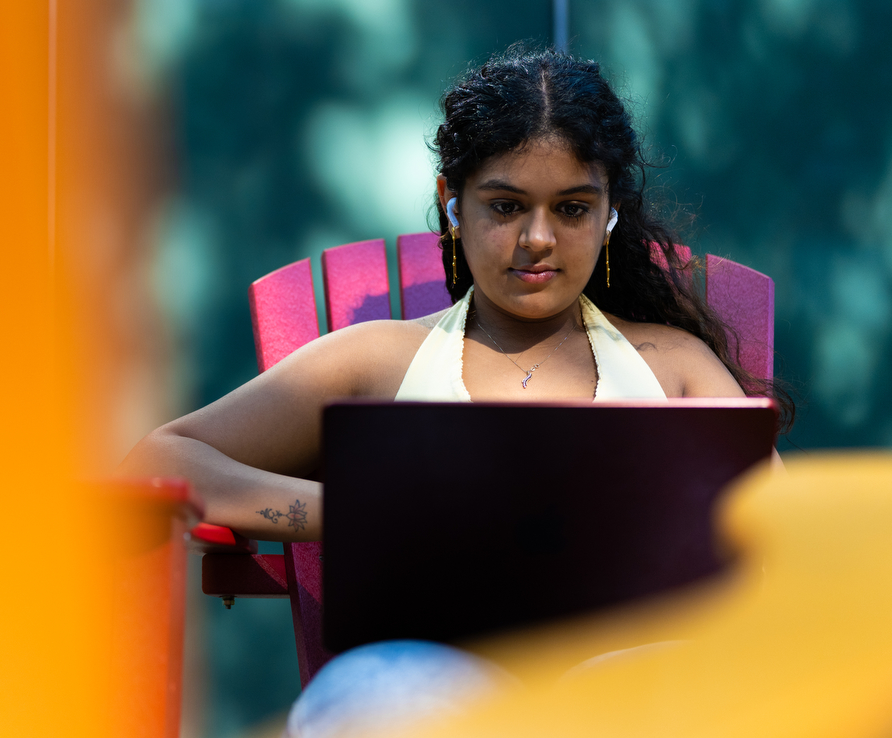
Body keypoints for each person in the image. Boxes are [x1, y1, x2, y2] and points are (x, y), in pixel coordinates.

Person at [120, 47, 793, 737]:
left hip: (632, 685)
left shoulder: (672, 368)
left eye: (572, 208)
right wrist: (347, 513)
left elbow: (786, 543)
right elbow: (160, 460)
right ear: (453, 204)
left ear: (610, 214)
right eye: (505, 206)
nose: (537, 238)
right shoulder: (379, 361)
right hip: (426, 686)